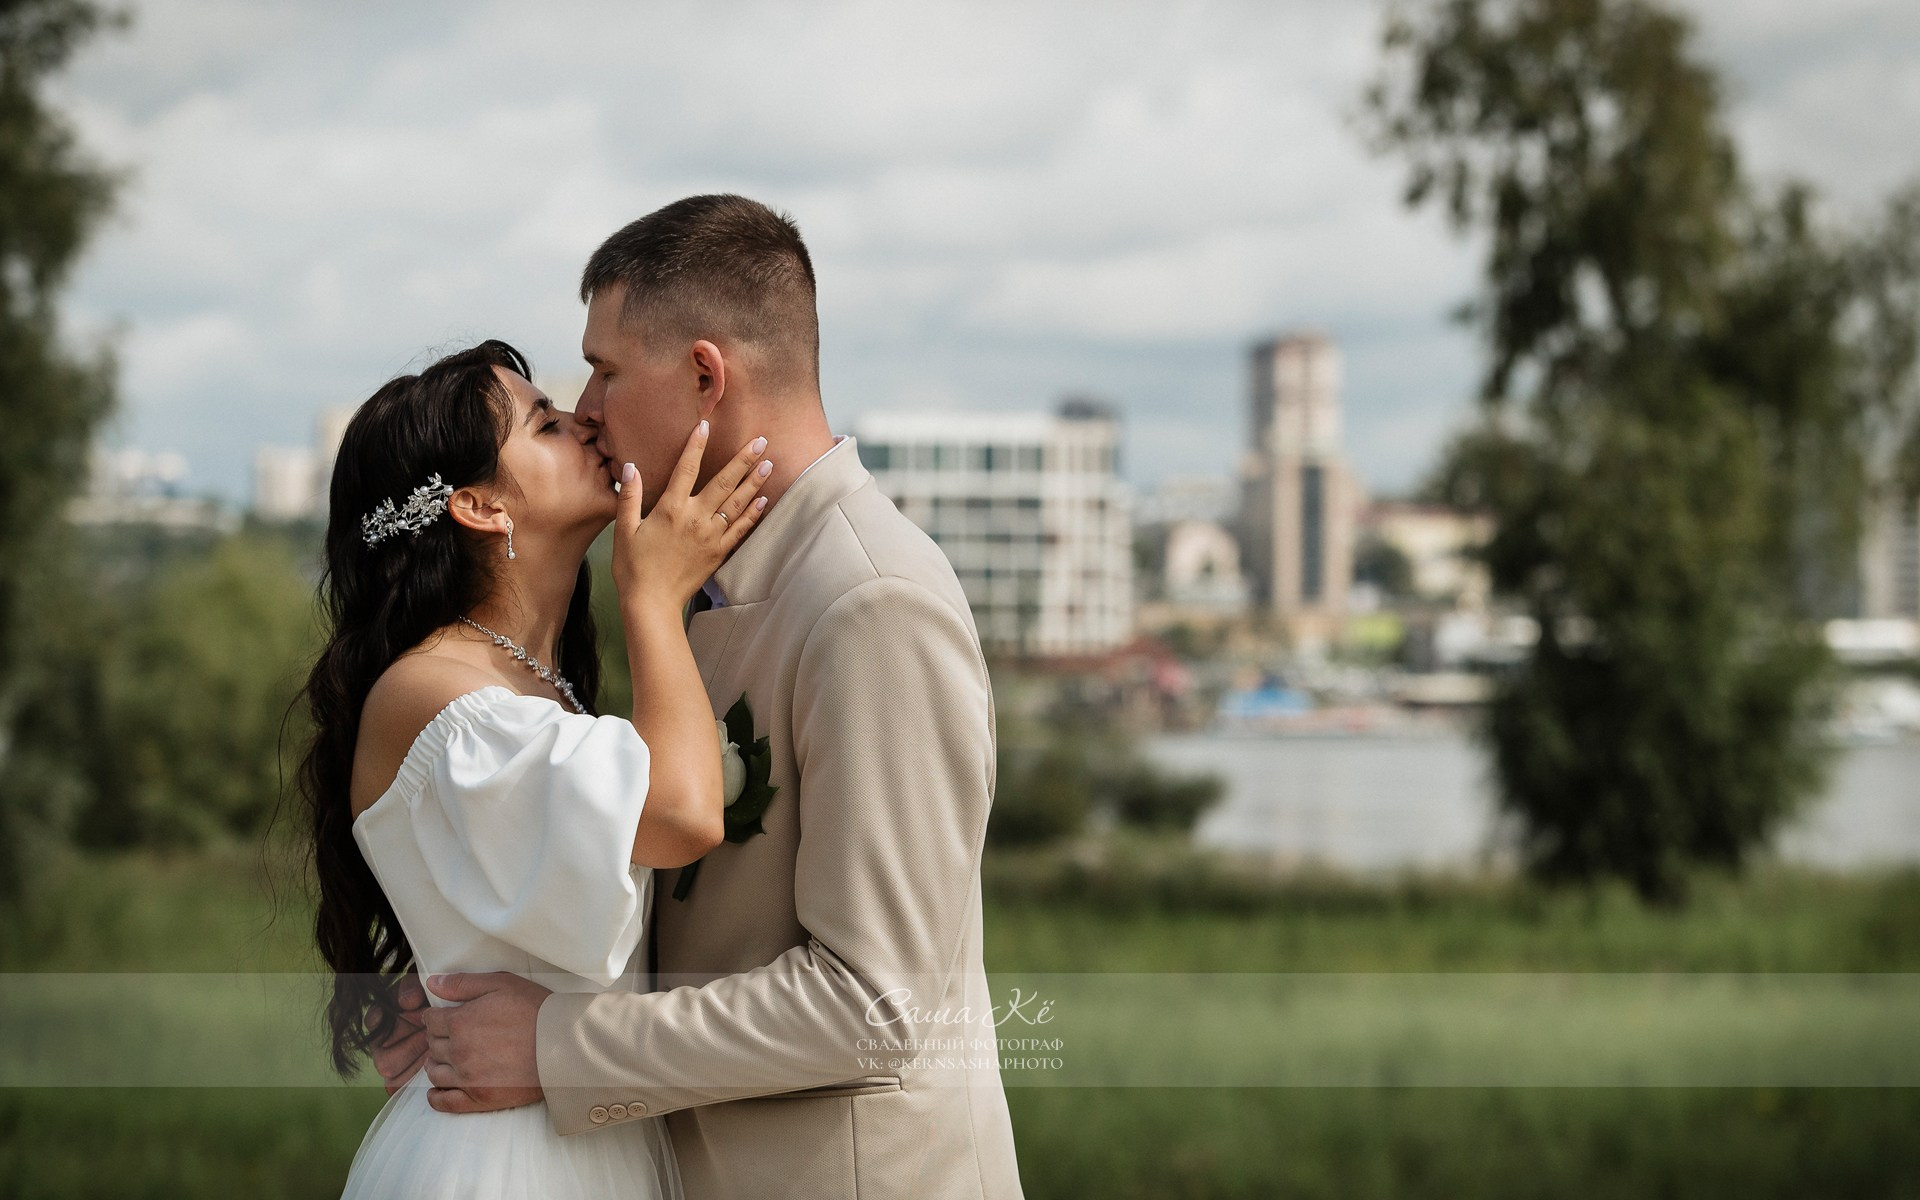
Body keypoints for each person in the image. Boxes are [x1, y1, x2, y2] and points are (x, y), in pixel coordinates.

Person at [372, 196, 1026, 1198]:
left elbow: (876, 1007)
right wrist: (456, 987)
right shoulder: (684, 590)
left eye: (605, 370)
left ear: (705, 376)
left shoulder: (871, 600)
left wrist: (550, 1042)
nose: (587, 407)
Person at [299, 337, 774, 1198]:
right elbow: (681, 815)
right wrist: (652, 600)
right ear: (480, 506)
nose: (589, 421)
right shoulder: (434, 690)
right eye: (546, 422)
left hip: (584, 1124)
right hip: (507, 1160)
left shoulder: (530, 685)